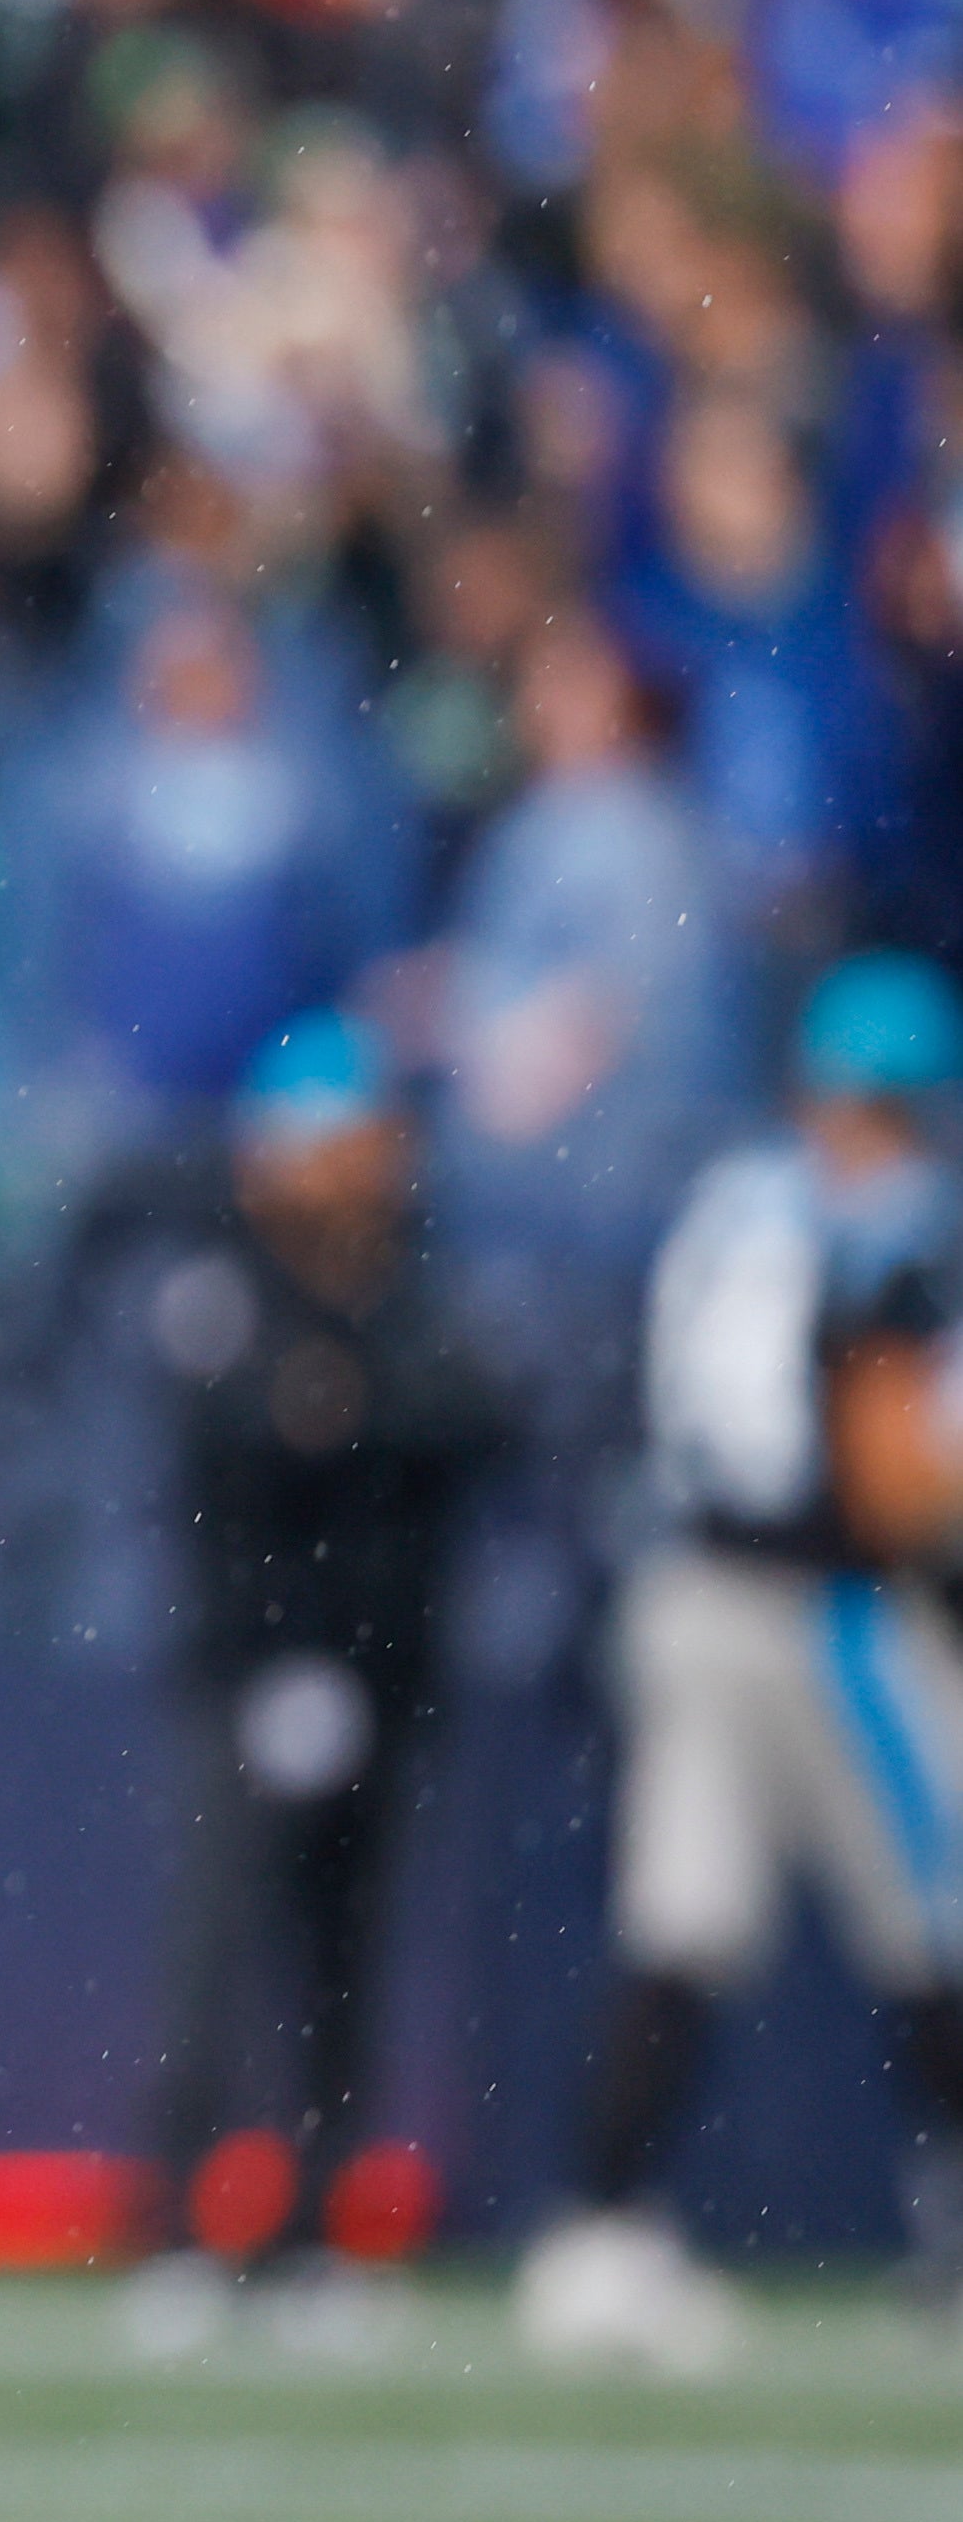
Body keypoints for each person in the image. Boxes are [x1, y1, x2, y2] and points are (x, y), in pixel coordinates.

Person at [517, 953, 963, 2377]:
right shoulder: (882, 1221)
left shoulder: (731, 1203)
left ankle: (597, 2230)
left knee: (682, 1922)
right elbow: (889, 1463)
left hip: (686, 1580)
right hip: (825, 1603)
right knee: (938, 1910)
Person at [120, 1016, 514, 2357]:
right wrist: (339, 1414)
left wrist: (343, 1407)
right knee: (216, 1953)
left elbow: (463, 1419)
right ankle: (177, 2224)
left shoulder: (416, 1284)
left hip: (381, 1671)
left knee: (345, 1963)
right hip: (246, 1666)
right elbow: (229, 1435)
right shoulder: (223, 1276)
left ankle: (316, 2227)